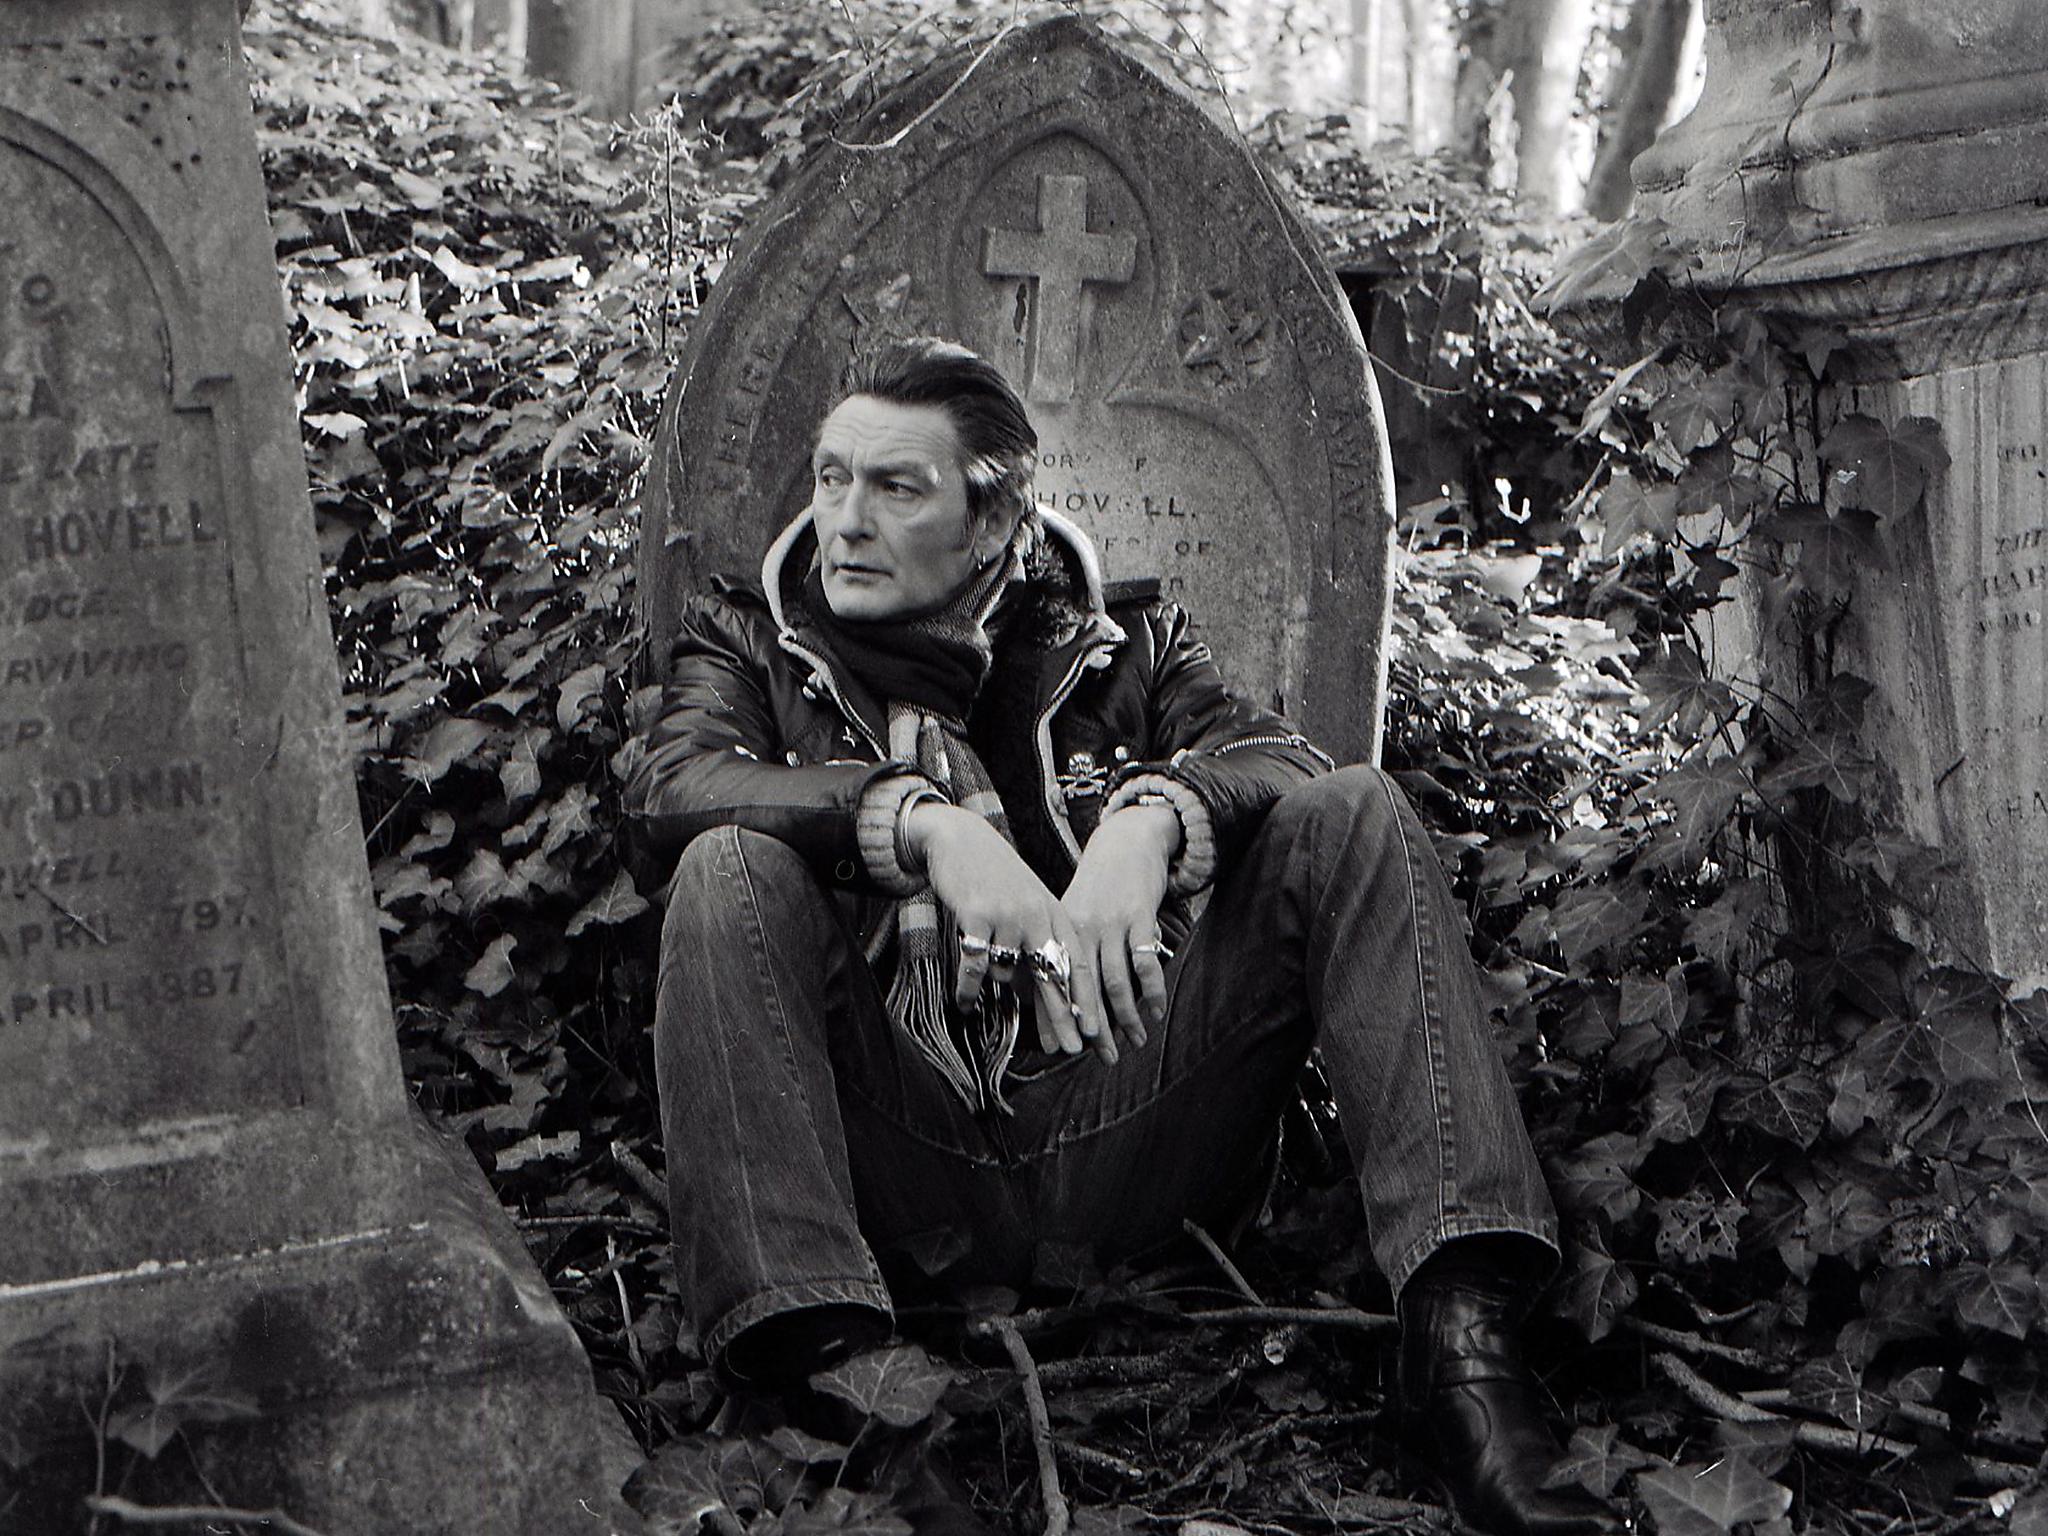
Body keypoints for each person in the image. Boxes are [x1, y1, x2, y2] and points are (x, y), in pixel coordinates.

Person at [625, 336, 1617, 1536]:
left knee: (1352, 812)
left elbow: (1282, 757)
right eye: (831, 478)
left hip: (1129, 1112)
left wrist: (1156, 818)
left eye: (896, 487)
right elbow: (668, 794)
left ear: (992, 526)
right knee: (725, 868)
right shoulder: (749, 643)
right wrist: (917, 825)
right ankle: (838, 1396)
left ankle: (1462, 1353)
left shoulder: (1125, 645)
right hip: (892, 1152)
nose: (842, 519)